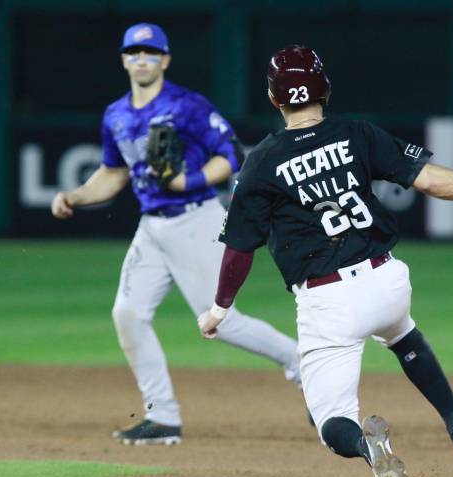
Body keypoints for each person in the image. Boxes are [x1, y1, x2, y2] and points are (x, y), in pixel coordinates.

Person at [197, 45, 453, 477]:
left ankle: (367, 448)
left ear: (275, 100)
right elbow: (430, 180)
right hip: (387, 280)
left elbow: (239, 249)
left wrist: (219, 309)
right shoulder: (356, 133)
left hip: (329, 302)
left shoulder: (263, 162)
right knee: (404, 336)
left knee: (330, 420)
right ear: (325, 90)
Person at [50, 23, 301, 446]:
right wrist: (75, 196)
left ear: (165, 59)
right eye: (134, 51)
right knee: (127, 314)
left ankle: (299, 363)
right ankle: (162, 416)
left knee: (222, 323)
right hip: (151, 226)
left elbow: (230, 157)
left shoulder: (188, 105)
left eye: (150, 51)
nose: (142, 58)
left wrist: (186, 181)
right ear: (124, 59)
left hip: (195, 219)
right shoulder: (116, 114)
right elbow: (113, 174)